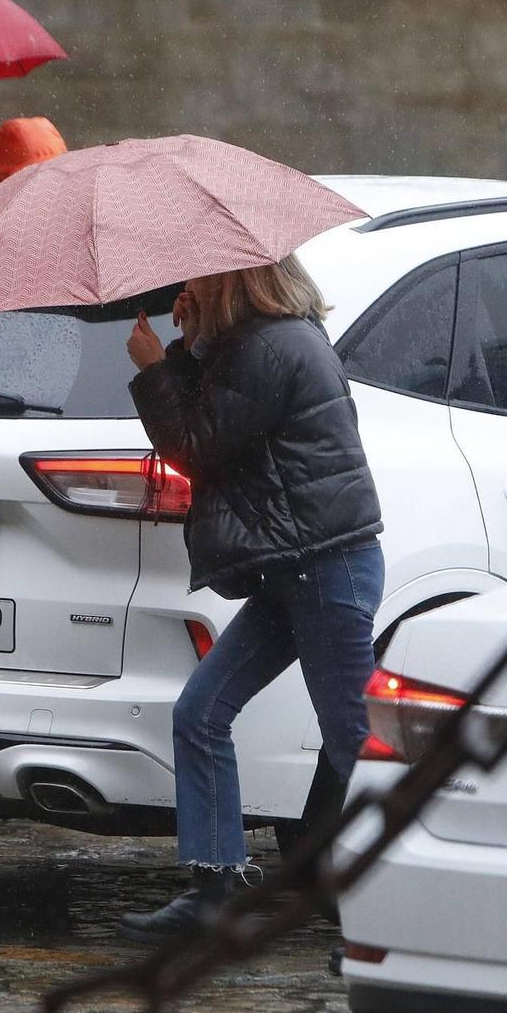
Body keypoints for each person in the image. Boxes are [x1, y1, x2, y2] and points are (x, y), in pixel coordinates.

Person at [115, 256, 384, 944]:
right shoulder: (255, 343)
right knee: (200, 711)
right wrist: (186, 344)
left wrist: (153, 364)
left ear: (234, 280)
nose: (188, 286)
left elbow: (196, 445)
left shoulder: (274, 346)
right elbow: (216, 416)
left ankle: (392, 912)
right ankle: (215, 894)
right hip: (292, 570)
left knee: (355, 740)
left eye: (201, 277)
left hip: (326, 569)